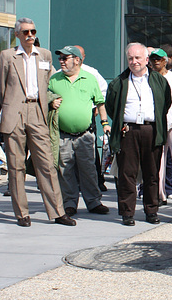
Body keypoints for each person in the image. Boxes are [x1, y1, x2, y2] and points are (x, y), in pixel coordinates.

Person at [0, 17, 75, 227]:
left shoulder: (44, 55)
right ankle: (22, 213)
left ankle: (57, 211)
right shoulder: (7, 56)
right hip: (15, 111)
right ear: (18, 35)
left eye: (33, 31)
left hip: (38, 111)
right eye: (26, 32)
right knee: (16, 165)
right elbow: (0, 88)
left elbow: (47, 83)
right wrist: (10, 106)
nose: (30, 35)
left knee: (47, 164)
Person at [105, 43, 171, 226]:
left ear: (146, 59)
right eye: (131, 58)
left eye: (138, 58)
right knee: (127, 173)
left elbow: (166, 102)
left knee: (152, 173)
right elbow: (111, 107)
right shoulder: (119, 82)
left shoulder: (159, 81)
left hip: (151, 130)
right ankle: (127, 213)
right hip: (128, 131)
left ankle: (151, 211)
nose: (134, 62)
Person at [48, 46, 111, 217]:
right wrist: (51, 101)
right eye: (60, 58)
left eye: (64, 58)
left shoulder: (90, 78)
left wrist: (105, 123)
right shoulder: (54, 80)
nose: (61, 61)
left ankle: (94, 202)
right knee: (65, 171)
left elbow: (100, 102)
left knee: (89, 170)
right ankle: (69, 204)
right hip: (62, 135)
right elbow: (45, 97)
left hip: (85, 135)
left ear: (77, 60)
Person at [74, 45, 109, 192]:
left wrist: (96, 108)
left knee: (90, 151)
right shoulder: (59, 74)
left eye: (79, 56)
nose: (77, 59)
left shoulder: (91, 73)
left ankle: (98, 182)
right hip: (67, 120)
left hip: (88, 117)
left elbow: (103, 91)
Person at [150, 48, 172, 205]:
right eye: (153, 59)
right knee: (158, 161)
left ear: (166, 60)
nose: (156, 62)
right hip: (157, 125)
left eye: (159, 59)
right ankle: (160, 194)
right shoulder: (148, 78)